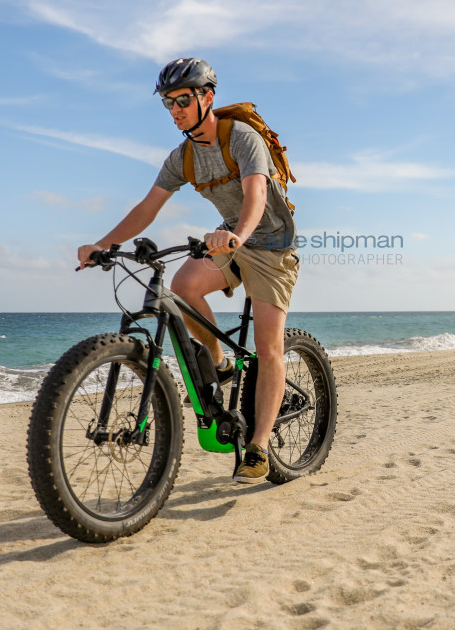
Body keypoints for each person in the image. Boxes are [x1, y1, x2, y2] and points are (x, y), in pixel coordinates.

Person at [77, 57, 299, 484]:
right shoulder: (182, 157)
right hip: (229, 238)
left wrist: (238, 234)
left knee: (269, 347)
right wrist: (104, 244)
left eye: (182, 99)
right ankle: (220, 365)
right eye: (168, 102)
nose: (175, 109)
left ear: (206, 97)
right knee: (182, 287)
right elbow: (147, 207)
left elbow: (255, 196)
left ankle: (259, 447)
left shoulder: (243, 139)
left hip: (270, 244)